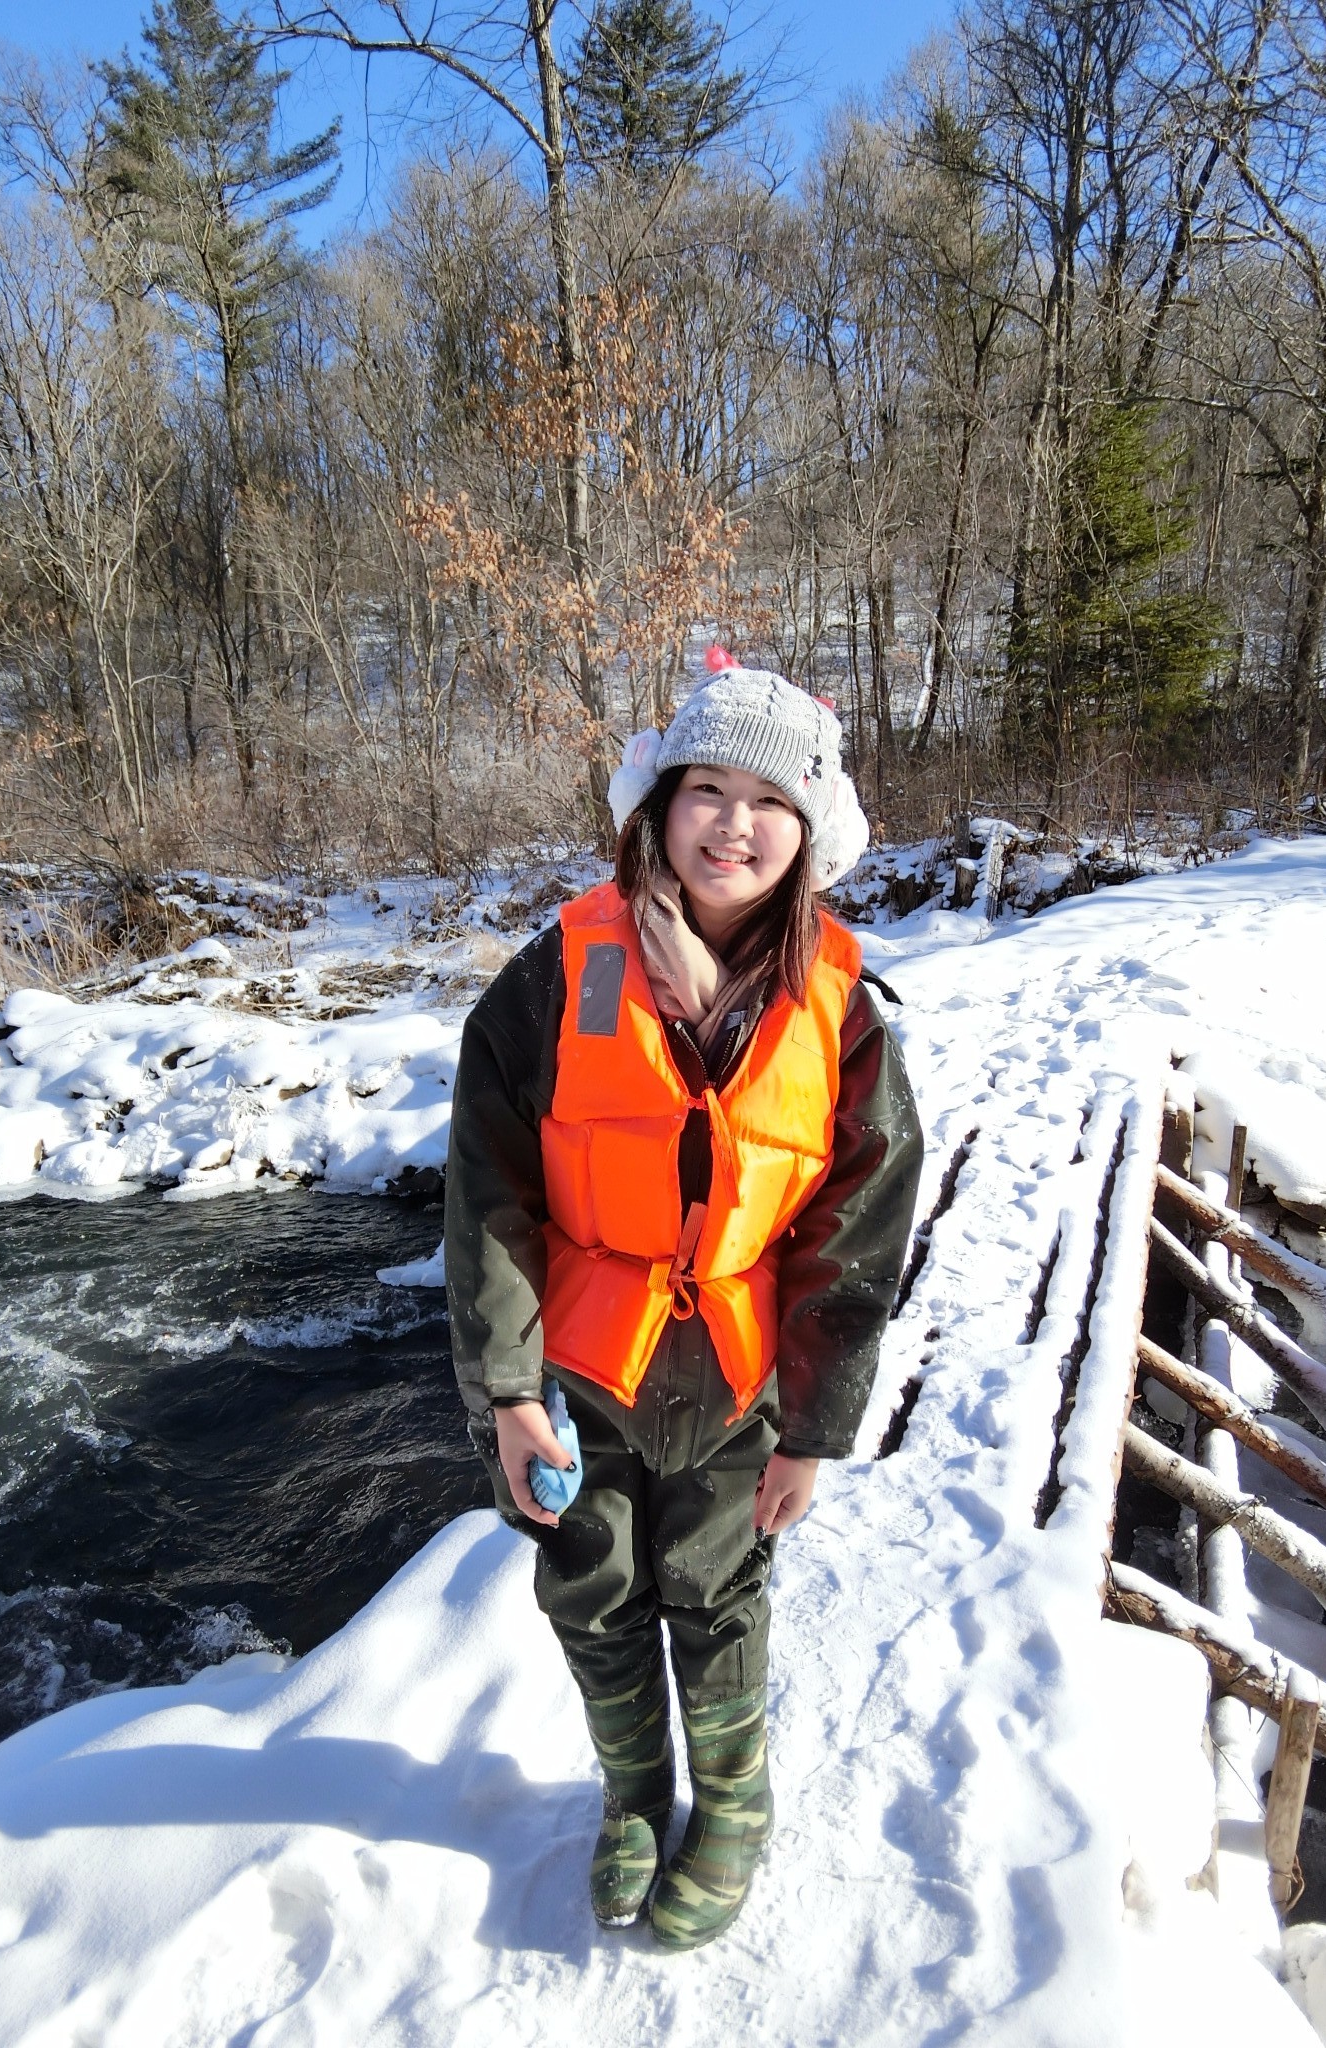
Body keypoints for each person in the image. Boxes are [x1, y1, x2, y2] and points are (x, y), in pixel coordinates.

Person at [443, 650, 923, 1950]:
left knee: (718, 1589)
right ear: (654, 807)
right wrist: (505, 1390)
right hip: (580, 1370)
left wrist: (817, 1427)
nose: (732, 822)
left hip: (737, 1372)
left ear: (810, 829)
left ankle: (737, 1800)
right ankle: (636, 1796)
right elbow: (488, 1188)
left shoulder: (845, 1008)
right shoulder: (553, 975)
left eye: (768, 800)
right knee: (590, 1586)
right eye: (704, 788)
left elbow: (858, 1235)